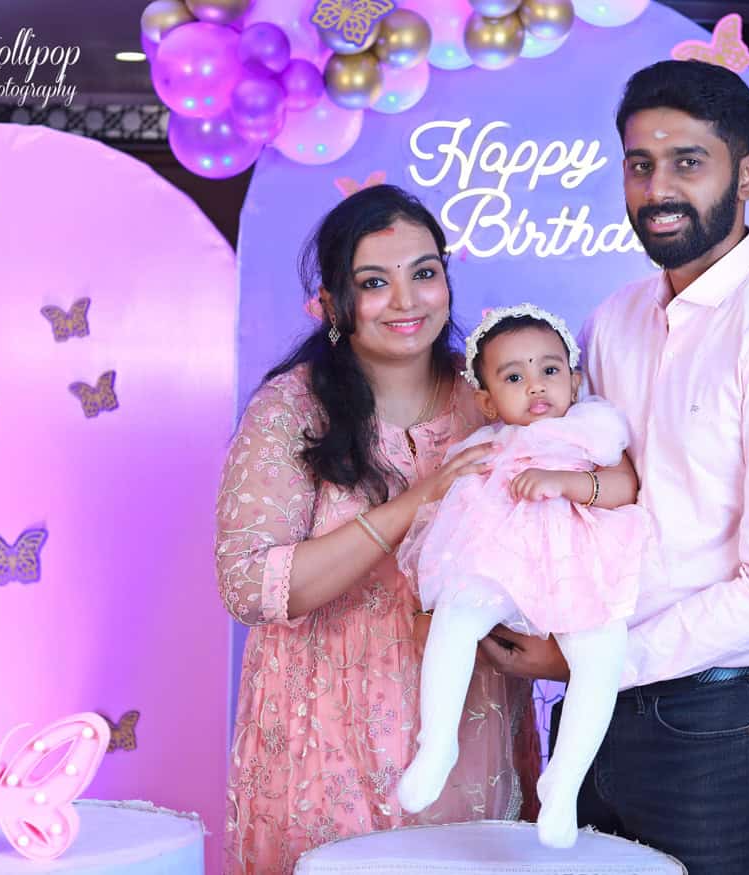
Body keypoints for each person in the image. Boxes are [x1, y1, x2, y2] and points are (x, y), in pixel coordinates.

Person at [477, 60, 749, 874]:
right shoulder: (612, 321)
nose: (657, 188)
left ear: (746, 173)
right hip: (589, 703)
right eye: (638, 164)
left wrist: (588, 660)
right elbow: (582, 490)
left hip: (710, 717)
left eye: (687, 162)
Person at [215, 185, 539, 874]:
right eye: (373, 282)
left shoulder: (494, 401)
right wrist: (416, 501)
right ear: (333, 304)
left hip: (464, 729)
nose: (406, 299)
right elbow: (251, 586)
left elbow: (557, 551)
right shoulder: (290, 410)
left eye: (423, 272)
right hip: (320, 744)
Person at [394, 304, 657, 849]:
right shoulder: (487, 446)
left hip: (577, 566)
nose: (535, 385)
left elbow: (624, 487)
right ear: (488, 399)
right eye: (514, 377)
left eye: (549, 370)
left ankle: (563, 781)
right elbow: (450, 516)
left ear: (575, 378)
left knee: (601, 655)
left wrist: (563, 481)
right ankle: (437, 741)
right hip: (503, 560)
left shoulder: (592, 430)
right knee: (457, 615)